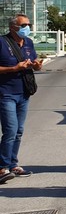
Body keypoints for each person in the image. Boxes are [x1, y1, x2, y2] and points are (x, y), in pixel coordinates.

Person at [0, 13, 44, 184]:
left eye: (29, 25)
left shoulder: (28, 43)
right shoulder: (2, 42)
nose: (28, 28)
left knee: (18, 131)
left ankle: (13, 164)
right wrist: (14, 68)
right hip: (6, 93)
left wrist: (37, 66)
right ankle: (2, 167)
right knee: (10, 130)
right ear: (13, 27)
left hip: (24, 92)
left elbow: (34, 63)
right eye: (24, 25)